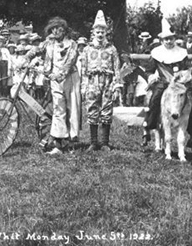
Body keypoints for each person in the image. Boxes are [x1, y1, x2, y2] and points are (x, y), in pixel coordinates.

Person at [22, 17, 80, 155]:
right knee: (58, 109)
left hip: (70, 78)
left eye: (58, 28)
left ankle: (72, 142)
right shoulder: (48, 43)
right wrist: (26, 58)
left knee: (72, 108)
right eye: (52, 29)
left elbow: (70, 62)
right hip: (54, 79)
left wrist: (60, 75)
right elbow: (36, 50)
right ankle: (58, 144)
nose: (55, 31)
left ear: (64, 29)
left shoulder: (72, 44)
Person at [141, 19, 192, 148]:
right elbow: (148, 70)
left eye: (171, 39)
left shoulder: (181, 53)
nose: (169, 42)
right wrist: (151, 76)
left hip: (180, 84)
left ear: (174, 39)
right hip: (163, 82)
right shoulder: (157, 53)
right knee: (155, 98)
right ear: (162, 41)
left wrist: (187, 76)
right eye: (166, 39)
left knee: (191, 100)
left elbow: (188, 67)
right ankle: (150, 124)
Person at [80, 11, 122, 151]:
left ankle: (104, 142)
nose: (100, 34)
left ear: (106, 33)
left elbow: (117, 69)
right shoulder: (86, 50)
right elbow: (84, 70)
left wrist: (116, 86)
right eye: (97, 32)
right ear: (93, 32)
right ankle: (93, 142)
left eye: (102, 32)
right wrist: (84, 87)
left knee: (106, 110)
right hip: (92, 82)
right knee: (92, 109)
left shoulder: (112, 49)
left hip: (107, 82)